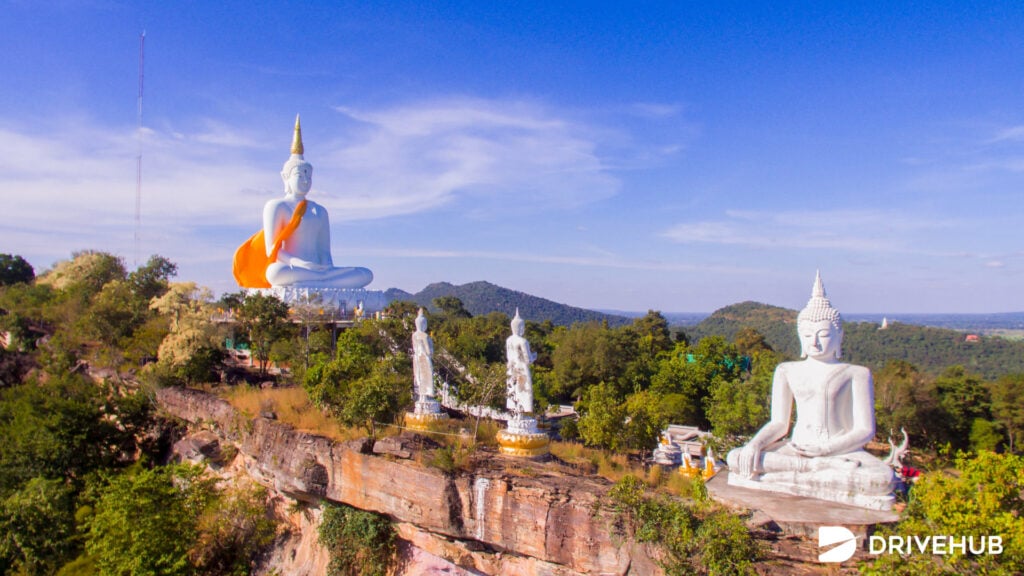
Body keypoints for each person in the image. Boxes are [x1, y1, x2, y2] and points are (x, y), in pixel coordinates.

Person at [726, 272, 894, 509]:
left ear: (839, 336)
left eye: (823, 335)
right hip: (796, 449)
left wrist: (826, 450)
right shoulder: (787, 370)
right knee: (736, 458)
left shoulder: (855, 373)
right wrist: (755, 444)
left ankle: (805, 472)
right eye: (807, 335)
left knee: (881, 479)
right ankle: (812, 470)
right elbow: (779, 423)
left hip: (839, 452)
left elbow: (865, 430)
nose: (814, 342)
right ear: (800, 337)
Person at [233, 116, 373, 289]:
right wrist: (299, 263)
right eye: (300, 175)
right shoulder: (277, 206)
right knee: (274, 273)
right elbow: (272, 249)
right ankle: (322, 283)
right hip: (293, 268)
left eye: (309, 176)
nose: (306, 180)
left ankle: (321, 281)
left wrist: (325, 267)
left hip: (319, 271)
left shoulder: (320, 211)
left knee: (365, 274)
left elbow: (324, 251)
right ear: (285, 177)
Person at [505, 309, 537, 415]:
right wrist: (534, 356)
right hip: (522, 369)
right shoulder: (523, 341)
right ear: (519, 327)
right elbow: (528, 359)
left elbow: (508, 355)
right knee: (524, 392)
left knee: (513, 392)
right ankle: (521, 413)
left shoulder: (508, 340)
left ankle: (515, 412)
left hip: (511, 368)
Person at [412, 308, 435, 399]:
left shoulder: (414, 335)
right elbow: (429, 351)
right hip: (424, 357)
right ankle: (427, 395)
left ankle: (421, 396)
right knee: (427, 376)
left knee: (419, 376)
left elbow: (414, 347)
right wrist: (431, 351)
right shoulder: (425, 336)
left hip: (417, 357)